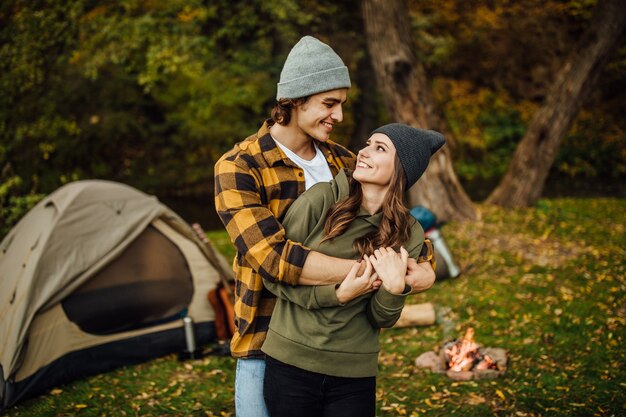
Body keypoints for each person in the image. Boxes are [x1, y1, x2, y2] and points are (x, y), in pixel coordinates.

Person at [214, 35, 435, 417]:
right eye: (329, 104)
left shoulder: (345, 164)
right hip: (263, 337)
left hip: (338, 350)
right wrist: (374, 272)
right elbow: (273, 258)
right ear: (295, 100)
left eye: (342, 105)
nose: (339, 117)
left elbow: (408, 241)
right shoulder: (239, 167)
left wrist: (423, 271)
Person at [261, 123, 445, 417]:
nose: (364, 151)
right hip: (291, 362)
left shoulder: (409, 233)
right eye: (368, 142)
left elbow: (380, 317)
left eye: (379, 148)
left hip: (354, 372)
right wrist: (337, 294)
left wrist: (395, 290)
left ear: (402, 169)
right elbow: (273, 275)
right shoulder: (319, 200)